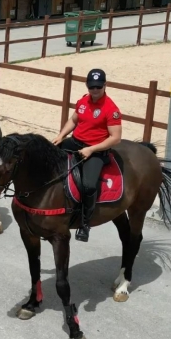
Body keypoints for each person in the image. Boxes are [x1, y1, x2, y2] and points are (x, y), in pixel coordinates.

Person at [52, 69, 122, 242]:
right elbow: (73, 120)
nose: (95, 90)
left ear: (105, 85)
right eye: (92, 87)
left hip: (96, 150)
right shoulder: (83, 101)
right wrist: (61, 136)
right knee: (49, 156)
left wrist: (91, 150)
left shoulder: (111, 109)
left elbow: (116, 138)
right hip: (76, 142)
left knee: (88, 185)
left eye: (98, 86)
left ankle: (85, 223)